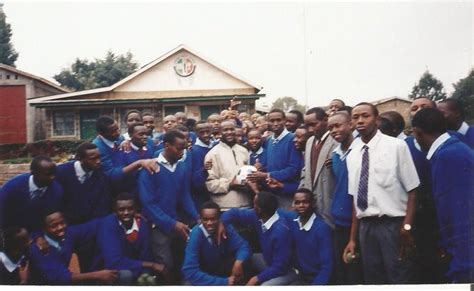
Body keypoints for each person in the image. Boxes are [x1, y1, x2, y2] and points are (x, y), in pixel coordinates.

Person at [343, 102, 419, 284]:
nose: (360, 121)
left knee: (399, 276)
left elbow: (413, 190)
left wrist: (406, 228)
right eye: (355, 117)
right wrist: (352, 239)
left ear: (376, 120)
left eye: (365, 116)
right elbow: (355, 199)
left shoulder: (396, 147)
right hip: (366, 227)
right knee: (373, 279)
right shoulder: (352, 154)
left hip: (393, 225)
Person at [411, 108, 474, 283]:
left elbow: (460, 217)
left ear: (417, 132)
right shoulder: (450, 151)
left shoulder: (449, 156)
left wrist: (462, 268)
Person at [138, 129, 199, 281]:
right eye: (179, 148)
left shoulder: (181, 166)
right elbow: (148, 204)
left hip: (177, 222)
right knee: (165, 264)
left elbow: (185, 196)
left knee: (182, 261)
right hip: (158, 225)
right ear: (167, 145)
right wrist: (172, 224)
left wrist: (196, 216)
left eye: (184, 149)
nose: (182, 152)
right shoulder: (151, 167)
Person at [29, 210, 127, 285]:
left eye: (62, 223)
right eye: (54, 226)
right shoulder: (40, 249)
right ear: (45, 229)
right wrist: (98, 275)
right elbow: (61, 278)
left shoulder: (68, 234)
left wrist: (123, 215)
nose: (60, 228)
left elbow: (96, 224)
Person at [221, 192, 296, 286]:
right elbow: (234, 213)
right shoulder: (259, 216)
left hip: (285, 271)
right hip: (268, 262)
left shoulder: (281, 231)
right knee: (246, 258)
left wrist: (256, 279)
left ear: (259, 209)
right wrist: (221, 223)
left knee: (264, 286)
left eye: (254, 204)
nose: (253, 206)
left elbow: (280, 267)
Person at [406, 97, 441, 283]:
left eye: (423, 107)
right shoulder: (405, 146)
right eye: (414, 108)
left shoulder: (447, 141)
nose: (418, 110)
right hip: (415, 213)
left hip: (440, 211)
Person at [97, 193, 166, 282]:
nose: (126, 212)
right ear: (115, 211)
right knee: (126, 275)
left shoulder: (142, 225)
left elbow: (145, 255)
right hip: (113, 271)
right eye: (121, 210)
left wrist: (146, 274)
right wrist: (150, 265)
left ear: (136, 209)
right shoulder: (108, 225)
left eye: (130, 209)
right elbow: (114, 262)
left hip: (136, 269)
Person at [327, 112, 363, 284]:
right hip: (340, 222)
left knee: (356, 272)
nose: (334, 130)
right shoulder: (335, 154)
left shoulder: (361, 151)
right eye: (330, 128)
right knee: (343, 270)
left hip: (357, 222)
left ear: (350, 125)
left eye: (338, 125)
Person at [182, 201, 251, 285]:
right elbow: (189, 271)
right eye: (205, 219)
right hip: (203, 276)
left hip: (219, 269)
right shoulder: (196, 235)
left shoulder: (226, 227)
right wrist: (224, 282)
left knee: (246, 261)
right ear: (200, 219)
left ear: (219, 219)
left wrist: (239, 262)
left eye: (213, 219)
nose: (209, 223)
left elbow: (243, 246)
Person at [248, 109, 303, 209]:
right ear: (267, 122)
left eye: (279, 120)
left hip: (286, 193)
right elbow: (271, 163)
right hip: (272, 192)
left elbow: (293, 169)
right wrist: (261, 167)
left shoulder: (292, 139)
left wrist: (267, 175)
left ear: (285, 120)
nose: (275, 123)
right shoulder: (269, 140)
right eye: (272, 121)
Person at [279, 188, 333, 285]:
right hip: (300, 276)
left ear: (313, 203)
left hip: (316, 279)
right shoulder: (294, 221)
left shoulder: (322, 228)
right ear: (294, 205)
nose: (301, 205)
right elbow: (276, 211)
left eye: (305, 202)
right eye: (297, 202)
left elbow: (327, 267)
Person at [0, 156, 63, 233]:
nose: (53, 177)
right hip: (12, 230)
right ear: (33, 173)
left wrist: (38, 235)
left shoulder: (56, 190)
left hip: (38, 231)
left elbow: (47, 218)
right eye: (48, 174)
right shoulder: (11, 188)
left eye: (54, 173)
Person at [56, 142, 112, 225]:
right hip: (65, 224)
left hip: (90, 224)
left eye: (99, 157)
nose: (98, 161)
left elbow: (102, 205)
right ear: (80, 159)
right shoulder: (61, 172)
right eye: (93, 159)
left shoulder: (101, 176)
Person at [299, 107, 338, 228]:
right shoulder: (310, 141)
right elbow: (306, 170)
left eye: (314, 124)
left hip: (329, 200)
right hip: (311, 202)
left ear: (326, 120)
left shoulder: (336, 141)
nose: (310, 129)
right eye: (307, 125)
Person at [92, 116, 158, 187]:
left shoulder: (117, 138)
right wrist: (139, 163)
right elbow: (111, 174)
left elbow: (129, 138)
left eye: (118, 128)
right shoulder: (98, 147)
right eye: (113, 131)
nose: (118, 133)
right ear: (101, 133)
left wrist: (126, 141)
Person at [204, 120, 253, 210]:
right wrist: (230, 184)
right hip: (225, 207)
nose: (229, 132)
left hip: (246, 205)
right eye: (225, 130)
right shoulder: (213, 154)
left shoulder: (243, 151)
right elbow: (210, 184)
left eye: (231, 129)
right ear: (220, 132)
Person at [189, 121, 214, 208]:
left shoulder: (215, 146)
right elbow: (194, 180)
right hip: (201, 196)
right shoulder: (194, 151)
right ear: (196, 133)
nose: (206, 135)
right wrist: (203, 170)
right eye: (202, 132)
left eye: (208, 131)